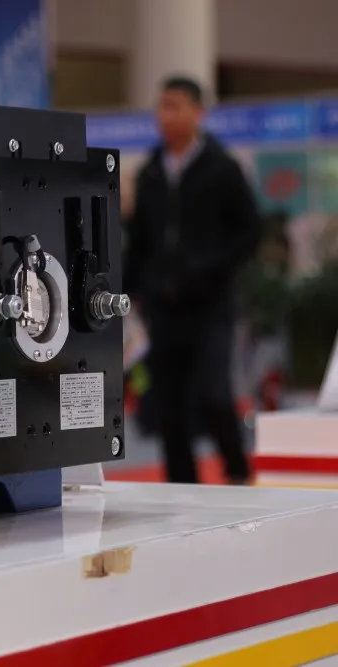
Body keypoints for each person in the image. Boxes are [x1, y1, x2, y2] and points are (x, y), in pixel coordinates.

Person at [124, 76, 262, 484]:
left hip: (211, 304)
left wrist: (213, 270)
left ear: (197, 112)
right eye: (161, 106)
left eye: (174, 105)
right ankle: (181, 487)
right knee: (168, 405)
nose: (164, 115)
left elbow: (249, 231)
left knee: (213, 392)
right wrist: (130, 293)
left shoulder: (222, 168)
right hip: (163, 307)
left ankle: (237, 472)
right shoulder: (151, 172)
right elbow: (140, 242)